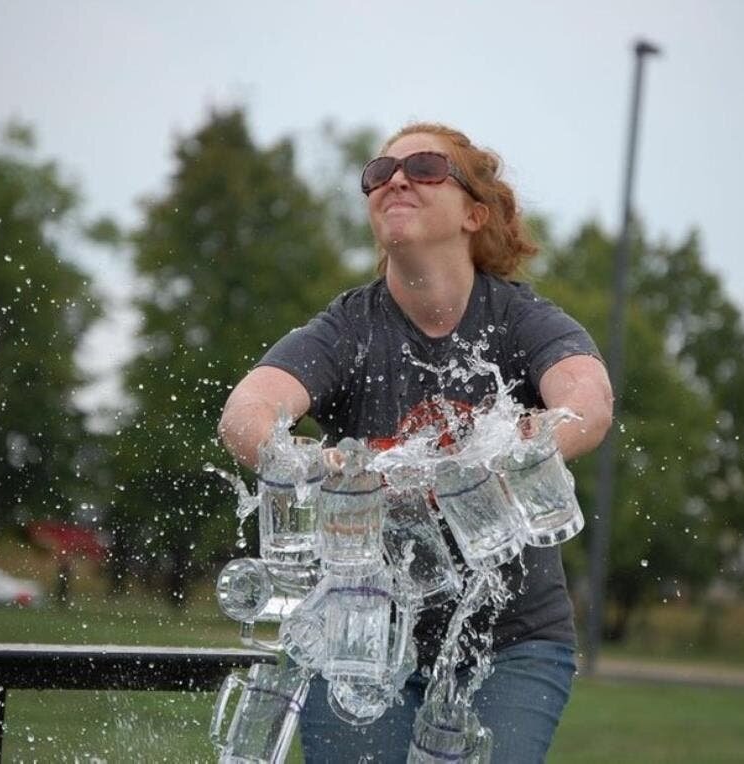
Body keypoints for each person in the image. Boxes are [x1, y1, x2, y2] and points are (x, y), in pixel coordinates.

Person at [218, 122, 613, 763]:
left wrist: (524, 441)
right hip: (357, 635)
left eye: (426, 167)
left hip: (512, 640)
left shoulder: (519, 319)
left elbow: (588, 402)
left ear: (473, 213)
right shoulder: (348, 328)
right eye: (379, 172)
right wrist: (304, 463)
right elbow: (247, 412)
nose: (396, 178)